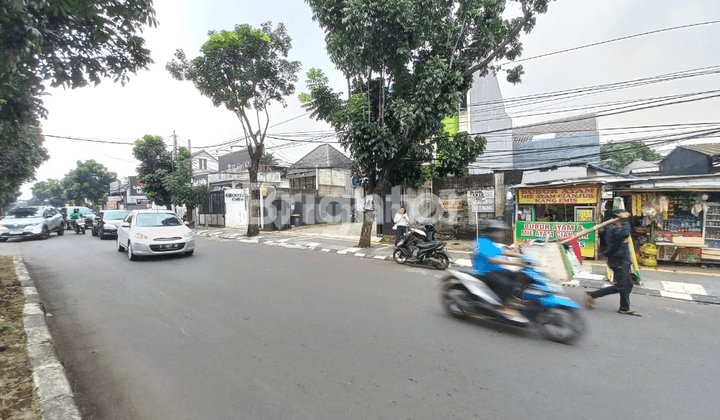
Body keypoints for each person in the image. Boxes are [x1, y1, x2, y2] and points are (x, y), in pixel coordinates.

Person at [586, 210, 641, 316]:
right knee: (622, 286)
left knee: (627, 285)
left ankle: (624, 307)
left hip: (623, 260)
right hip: (617, 261)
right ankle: (593, 295)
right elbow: (625, 233)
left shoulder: (617, 228)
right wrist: (625, 219)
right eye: (623, 218)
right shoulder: (612, 229)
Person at [472, 220, 526, 318]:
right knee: (506, 284)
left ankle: (513, 298)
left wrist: (521, 255)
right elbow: (492, 259)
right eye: (495, 231)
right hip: (485, 272)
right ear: (489, 231)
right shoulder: (481, 242)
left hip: (496, 270)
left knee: (517, 275)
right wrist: (514, 262)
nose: (497, 234)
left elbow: (502, 251)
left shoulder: (490, 242)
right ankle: (504, 306)